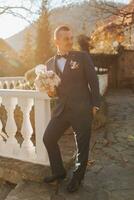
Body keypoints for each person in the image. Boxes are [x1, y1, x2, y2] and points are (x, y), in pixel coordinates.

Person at [43, 25, 100, 193]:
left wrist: (95, 104)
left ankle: (77, 177)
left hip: (82, 108)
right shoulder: (49, 63)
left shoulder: (81, 57)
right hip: (61, 110)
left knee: (81, 146)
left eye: (70, 38)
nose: (70, 41)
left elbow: (93, 81)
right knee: (48, 138)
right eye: (66, 38)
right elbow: (53, 91)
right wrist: (50, 91)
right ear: (57, 41)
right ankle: (59, 171)